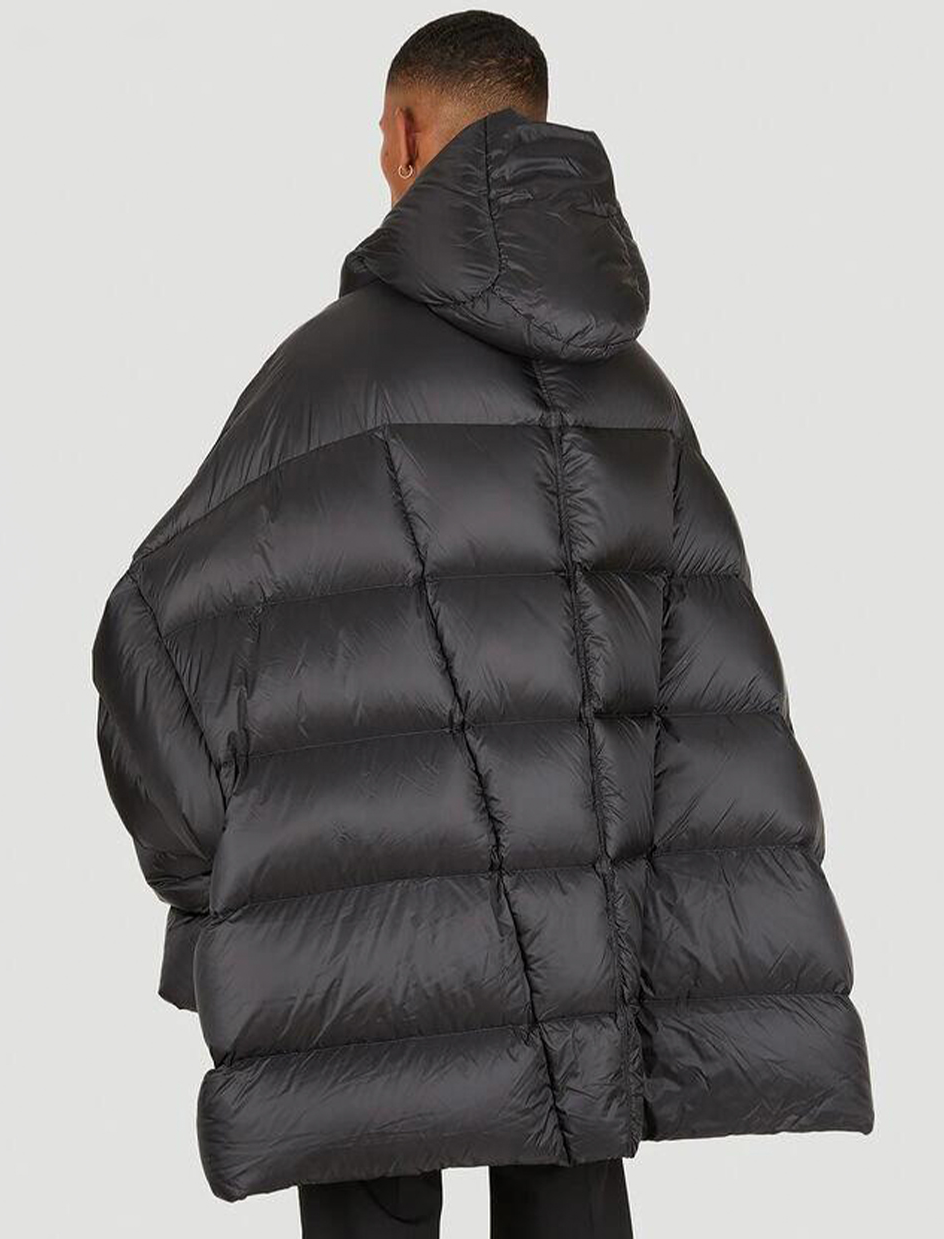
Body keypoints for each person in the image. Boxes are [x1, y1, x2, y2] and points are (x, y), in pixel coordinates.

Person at [93, 10, 873, 1237]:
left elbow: (145, 640)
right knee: (571, 1196)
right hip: (587, 962)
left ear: (408, 135)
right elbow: (717, 703)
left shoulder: (324, 381)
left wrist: (216, 876)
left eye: (381, 137)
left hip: (354, 953)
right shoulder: (642, 399)